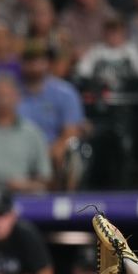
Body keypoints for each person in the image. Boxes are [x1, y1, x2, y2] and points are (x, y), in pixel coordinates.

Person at [17, 41, 85, 190]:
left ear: (47, 63)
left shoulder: (65, 92)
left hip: (54, 151)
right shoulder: (13, 93)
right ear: (22, 64)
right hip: (19, 151)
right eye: (30, 61)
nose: (34, 66)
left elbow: (71, 131)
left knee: (71, 152)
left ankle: (68, 202)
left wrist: (48, 152)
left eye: (39, 61)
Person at [0, 75, 51, 192]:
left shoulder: (32, 133)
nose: (3, 100)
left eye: (7, 95)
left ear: (18, 97)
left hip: (22, 196)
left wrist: (26, 185)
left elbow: (44, 178)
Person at [75, 16, 138, 89]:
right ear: (105, 34)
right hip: (101, 91)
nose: (114, 37)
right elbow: (83, 72)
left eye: (117, 33)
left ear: (124, 33)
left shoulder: (132, 50)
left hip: (127, 92)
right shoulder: (96, 51)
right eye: (111, 33)